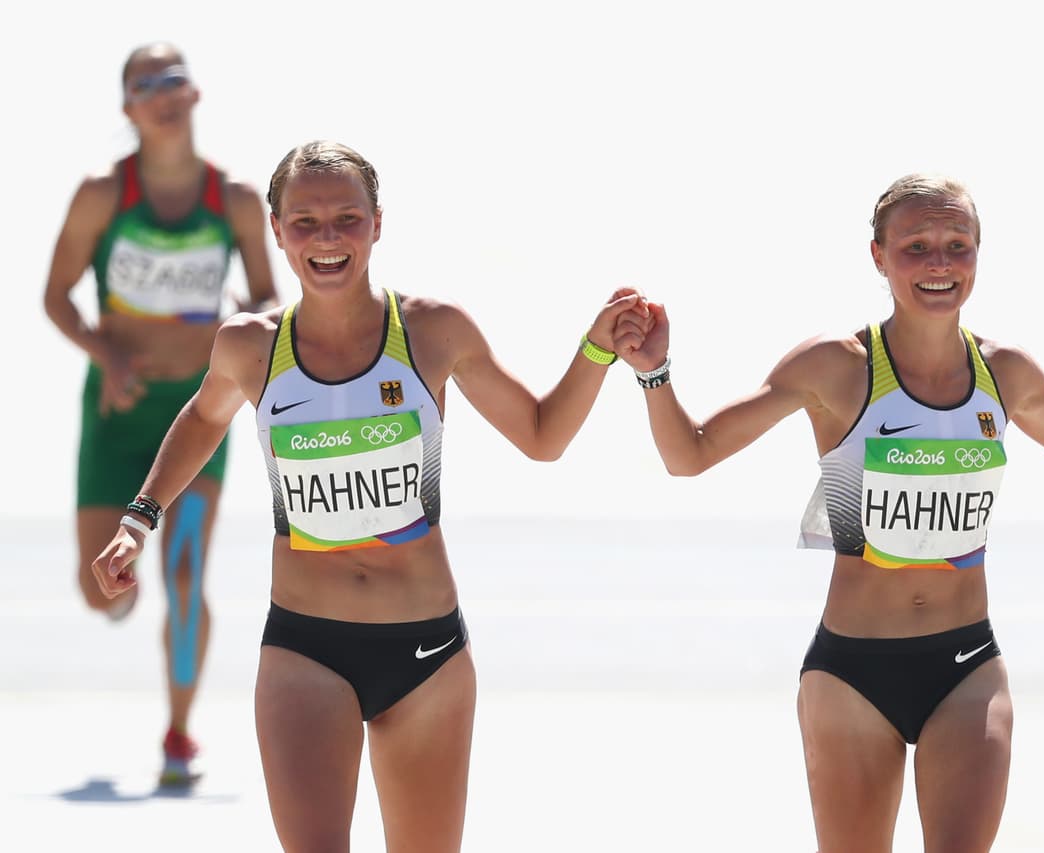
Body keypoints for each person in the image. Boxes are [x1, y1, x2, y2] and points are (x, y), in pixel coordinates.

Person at [612, 173, 1044, 852]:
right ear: (878, 257)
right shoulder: (838, 367)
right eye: (916, 246)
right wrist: (655, 374)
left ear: (979, 253)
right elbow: (692, 453)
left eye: (958, 244)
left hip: (967, 665)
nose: (940, 262)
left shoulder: (1005, 374)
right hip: (850, 671)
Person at [90, 140, 641, 851]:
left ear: (377, 223)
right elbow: (202, 418)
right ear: (276, 229)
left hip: (428, 652)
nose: (327, 239)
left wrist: (597, 350)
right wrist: (139, 519)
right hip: (303, 648)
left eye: (346, 218)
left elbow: (541, 433)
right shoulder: (250, 347)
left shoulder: (433, 332)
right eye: (306, 222)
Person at [43, 42, 278, 787]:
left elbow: (270, 298)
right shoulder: (101, 195)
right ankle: (118, 601)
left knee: (184, 572)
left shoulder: (235, 199)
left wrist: (250, 319)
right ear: (128, 108)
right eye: (147, 84)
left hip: (198, 411)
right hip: (118, 410)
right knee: (98, 585)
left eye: (175, 77)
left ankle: (179, 733)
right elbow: (56, 296)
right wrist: (102, 354)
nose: (164, 93)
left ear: (196, 92)